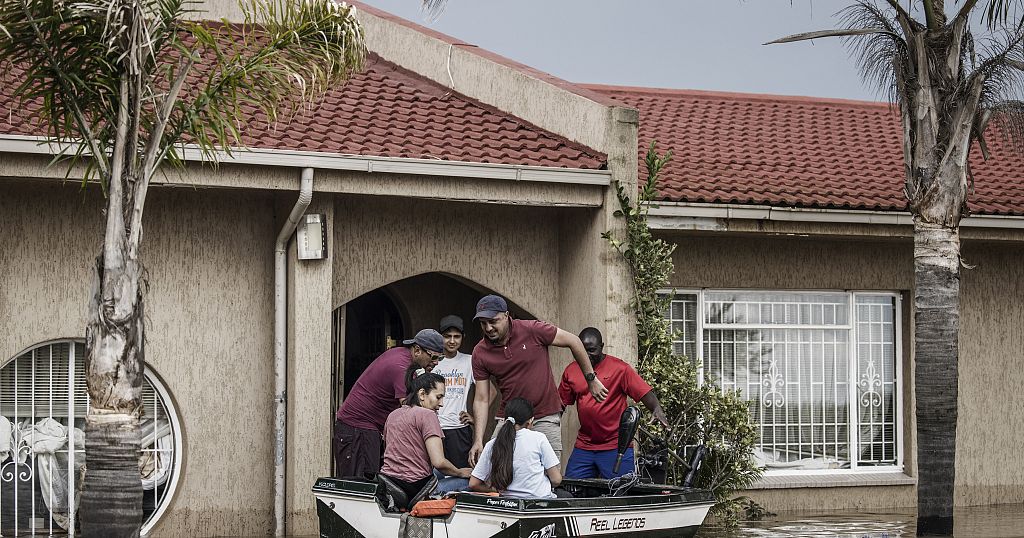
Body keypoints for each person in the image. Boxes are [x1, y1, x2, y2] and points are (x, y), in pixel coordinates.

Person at [469, 294, 609, 466]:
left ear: (506, 315)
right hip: (510, 419)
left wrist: (591, 379)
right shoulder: (480, 352)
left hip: (544, 415)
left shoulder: (532, 330)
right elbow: (482, 398)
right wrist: (478, 440)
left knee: (551, 475)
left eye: (494, 321)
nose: (489, 328)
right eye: (483, 323)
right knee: (492, 468)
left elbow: (574, 341)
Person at [558, 327, 669, 479]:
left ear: (602, 347)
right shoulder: (571, 371)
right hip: (585, 445)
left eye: (591, 350)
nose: (586, 355)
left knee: (621, 492)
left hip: (616, 446)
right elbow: (560, 404)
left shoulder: (619, 368)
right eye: (582, 351)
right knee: (571, 487)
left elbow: (643, 392)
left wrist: (656, 408)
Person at [333, 329, 445, 480]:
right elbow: (408, 408)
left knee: (368, 482)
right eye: (434, 357)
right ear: (417, 350)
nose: (436, 362)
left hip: (366, 427)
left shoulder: (402, 355)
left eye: (441, 358)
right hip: (357, 427)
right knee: (361, 485)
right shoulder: (401, 367)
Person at [379, 367, 472, 508]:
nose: (441, 404)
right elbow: (439, 462)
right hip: (416, 489)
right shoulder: (427, 415)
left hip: (389, 483)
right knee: (470, 482)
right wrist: (460, 472)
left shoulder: (393, 415)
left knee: (439, 474)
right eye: (438, 397)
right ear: (422, 394)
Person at [469, 398, 562, 499]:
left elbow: (473, 484)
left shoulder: (492, 444)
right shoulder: (538, 438)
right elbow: (556, 479)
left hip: (508, 503)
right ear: (530, 421)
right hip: (539, 502)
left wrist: (496, 490)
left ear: (504, 420)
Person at [431, 315, 475, 469]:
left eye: (456, 336)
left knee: (461, 473)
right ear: (440, 337)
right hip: (434, 427)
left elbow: (490, 393)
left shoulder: (470, 361)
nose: (452, 341)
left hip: (459, 429)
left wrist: (474, 416)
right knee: (433, 474)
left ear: (463, 337)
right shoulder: (433, 362)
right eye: (447, 336)